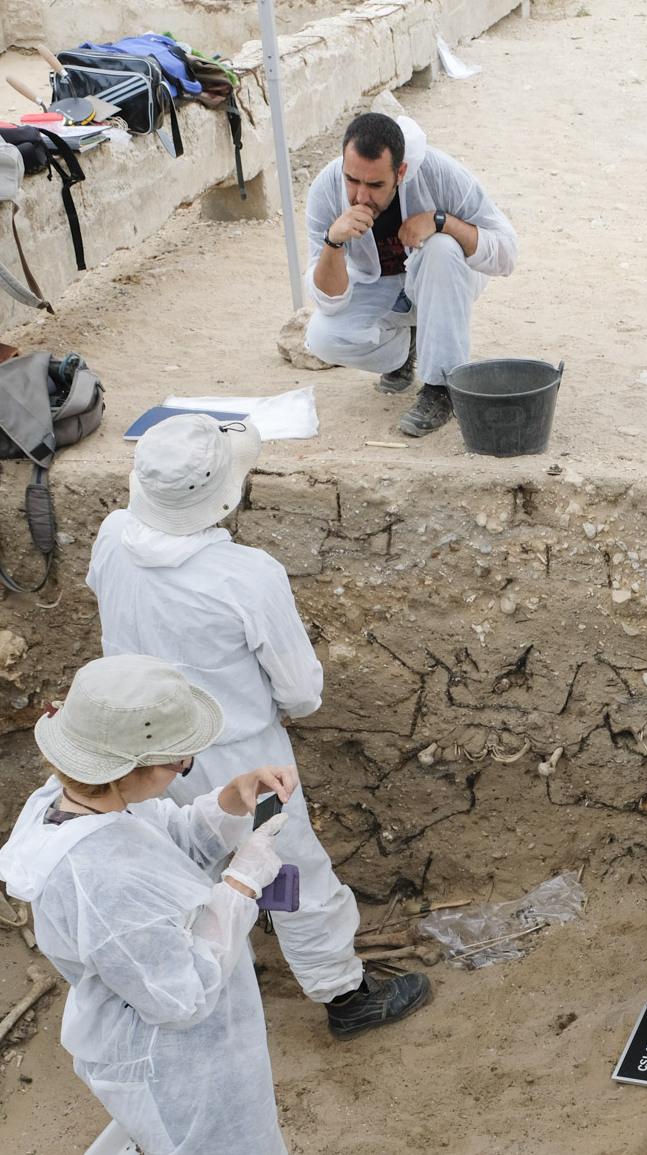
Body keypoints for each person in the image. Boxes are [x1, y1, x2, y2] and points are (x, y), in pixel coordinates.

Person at [86, 413, 429, 1036]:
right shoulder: (246, 574)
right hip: (235, 755)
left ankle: (200, 970)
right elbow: (301, 691)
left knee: (178, 860)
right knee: (288, 868)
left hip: (132, 751)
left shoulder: (111, 535)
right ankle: (344, 996)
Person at [0, 655, 294, 1154]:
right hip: (179, 1063)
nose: (183, 769)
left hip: (182, 1049)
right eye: (178, 761)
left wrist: (229, 800)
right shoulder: (99, 879)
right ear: (123, 769)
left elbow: (159, 843)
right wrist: (242, 884)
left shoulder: (75, 800)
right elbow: (182, 996)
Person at [303, 111, 518, 437]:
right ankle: (403, 354)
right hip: (380, 287)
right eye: (352, 180)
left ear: (400, 171)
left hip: (445, 277)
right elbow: (329, 301)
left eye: (375, 184)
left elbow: (505, 253)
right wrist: (333, 241)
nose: (361, 196)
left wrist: (441, 220)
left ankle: (441, 386)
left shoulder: (439, 172)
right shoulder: (325, 189)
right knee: (323, 336)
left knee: (441, 248)